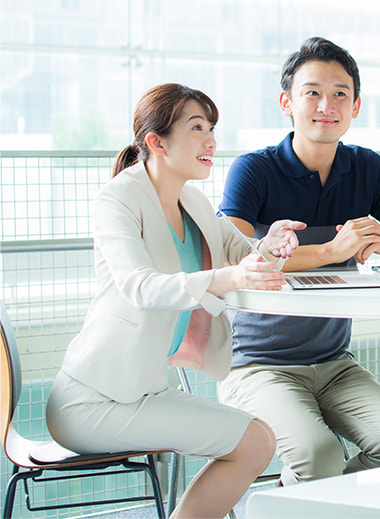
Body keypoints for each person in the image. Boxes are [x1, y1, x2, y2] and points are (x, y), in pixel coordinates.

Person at [45, 83, 306, 519]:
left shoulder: (194, 201)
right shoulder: (118, 199)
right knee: (254, 443)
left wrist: (272, 244)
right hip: (92, 401)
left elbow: (243, 255)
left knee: (258, 441)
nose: (211, 141)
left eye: (212, 128)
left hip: (144, 390)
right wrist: (227, 277)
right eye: (197, 127)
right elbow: (140, 287)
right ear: (156, 141)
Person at [217, 37, 380, 485]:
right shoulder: (254, 169)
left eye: (341, 93)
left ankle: (306, 499)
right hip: (256, 365)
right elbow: (234, 258)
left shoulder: (366, 168)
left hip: (334, 360)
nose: (327, 104)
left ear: (356, 106)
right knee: (318, 456)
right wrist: (329, 252)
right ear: (287, 102)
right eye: (312, 92)